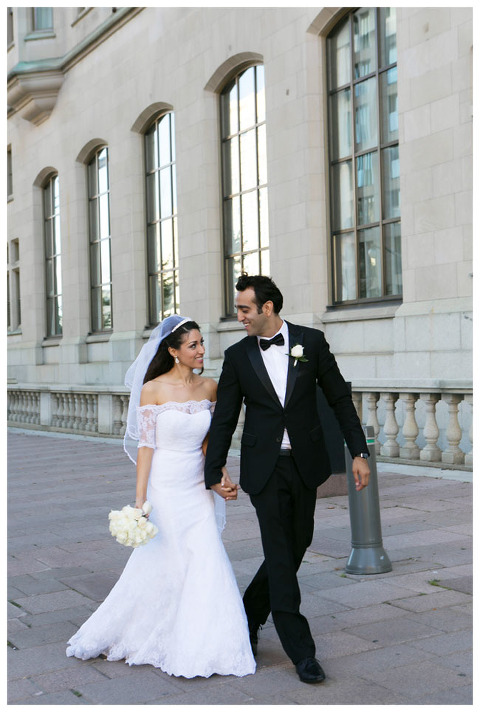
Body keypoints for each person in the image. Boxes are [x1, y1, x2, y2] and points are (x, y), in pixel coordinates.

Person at [67, 315, 256, 679]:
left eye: (202, 343)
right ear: (173, 351)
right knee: (166, 558)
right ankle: (154, 630)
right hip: (165, 485)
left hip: (197, 484)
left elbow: (211, 442)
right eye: (193, 345)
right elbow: (146, 447)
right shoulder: (152, 389)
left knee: (206, 554)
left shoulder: (210, 387)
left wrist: (221, 477)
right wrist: (140, 501)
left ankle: (207, 641)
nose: (201, 350)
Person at [204, 275, 370, 684]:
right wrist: (214, 469)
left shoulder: (311, 342)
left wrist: (359, 452)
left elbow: (339, 398)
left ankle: (248, 614)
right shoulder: (238, 355)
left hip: (305, 463)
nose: (239, 316)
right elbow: (225, 417)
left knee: (298, 543)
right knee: (279, 552)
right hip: (264, 467)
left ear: (268, 308)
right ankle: (302, 652)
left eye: (244, 309)